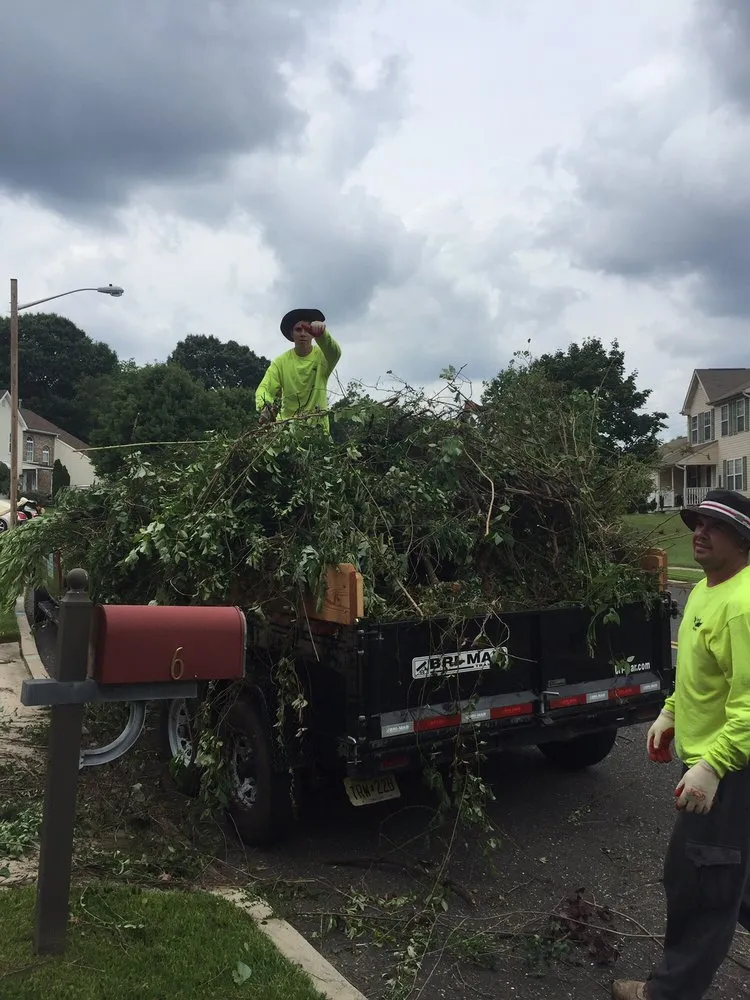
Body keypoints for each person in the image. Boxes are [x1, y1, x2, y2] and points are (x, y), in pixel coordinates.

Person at [613, 488, 750, 1000]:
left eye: (715, 526)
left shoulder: (742, 605)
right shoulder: (704, 591)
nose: (699, 532)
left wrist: (714, 765)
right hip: (721, 762)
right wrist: (671, 710)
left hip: (731, 770)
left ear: (743, 539)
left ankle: (666, 993)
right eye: (697, 522)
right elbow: (699, 672)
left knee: (699, 884)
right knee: (735, 875)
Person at [255, 308, 341, 433]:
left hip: (317, 432)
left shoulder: (323, 358)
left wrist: (322, 334)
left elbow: (335, 352)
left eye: (307, 329)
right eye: (298, 329)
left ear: (313, 334)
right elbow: (265, 388)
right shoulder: (280, 362)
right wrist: (265, 407)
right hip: (287, 431)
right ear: (291, 334)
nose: (303, 333)